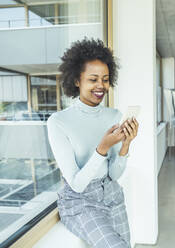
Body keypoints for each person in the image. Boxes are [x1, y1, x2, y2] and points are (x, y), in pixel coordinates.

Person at [47, 37, 138, 248]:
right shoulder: (58, 122)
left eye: (105, 79)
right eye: (93, 79)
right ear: (77, 80)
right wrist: (102, 148)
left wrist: (126, 145)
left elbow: (114, 175)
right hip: (81, 203)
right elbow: (77, 184)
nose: (101, 86)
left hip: (112, 195)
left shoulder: (114, 115)